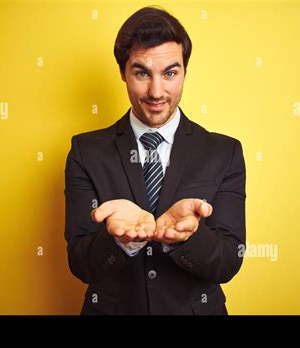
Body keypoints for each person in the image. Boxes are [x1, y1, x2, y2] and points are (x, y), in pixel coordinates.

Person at [64, 5, 246, 315]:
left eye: (170, 73)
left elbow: (229, 261)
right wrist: (118, 239)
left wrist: (188, 237)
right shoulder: (86, 151)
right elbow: (80, 264)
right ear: (123, 72)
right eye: (141, 73)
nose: (156, 91)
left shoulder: (223, 152)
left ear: (185, 72)